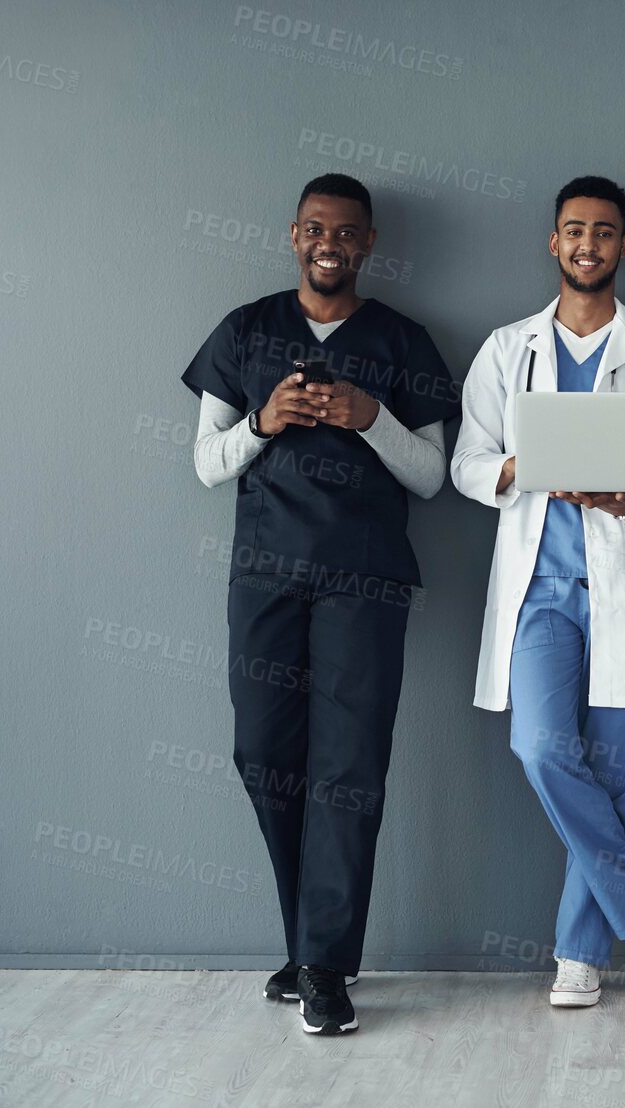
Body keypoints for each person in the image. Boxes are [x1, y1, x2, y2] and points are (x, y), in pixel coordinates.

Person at [182, 173, 460, 1035]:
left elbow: (434, 475)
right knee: (264, 755)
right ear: (293, 235)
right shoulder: (246, 330)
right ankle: (309, 942)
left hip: (364, 581)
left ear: (369, 242)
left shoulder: (403, 341)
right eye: (313, 229)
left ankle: (327, 967)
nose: (328, 242)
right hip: (264, 575)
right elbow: (205, 463)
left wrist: (370, 416)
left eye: (345, 231)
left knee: (349, 771)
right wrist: (266, 419)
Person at [450, 176, 625, 1007]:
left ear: (624, 245)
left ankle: (579, 956)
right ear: (552, 243)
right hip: (541, 589)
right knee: (542, 747)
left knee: (614, 770)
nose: (588, 244)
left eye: (603, 231)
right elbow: (466, 462)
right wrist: (526, 467)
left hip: (620, 575)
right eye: (573, 231)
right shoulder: (507, 348)